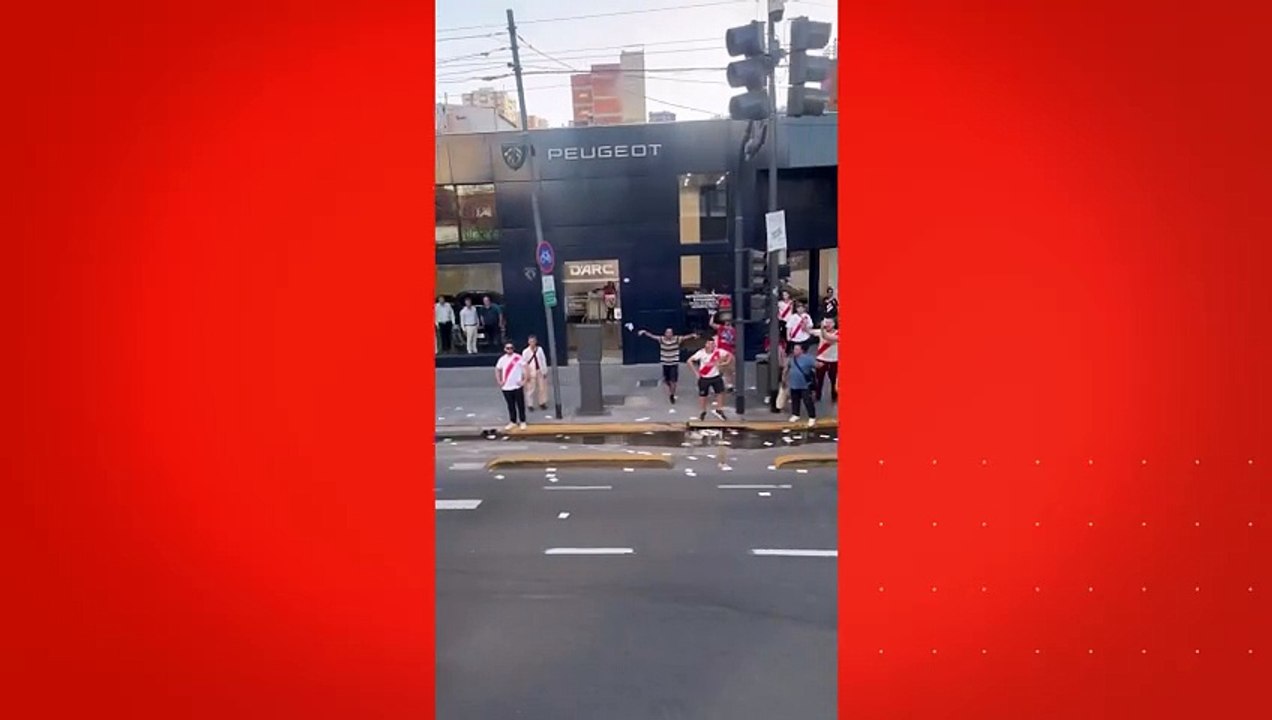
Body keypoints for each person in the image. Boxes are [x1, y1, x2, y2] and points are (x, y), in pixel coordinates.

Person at [637, 327, 697, 405]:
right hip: (666, 363)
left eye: (670, 333)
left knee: (673, 381)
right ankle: (669, 385)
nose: (669, 334)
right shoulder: (661, 339)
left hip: (673, 364)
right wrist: (644, 332)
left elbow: (685, 337)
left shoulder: (676, 339)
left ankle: (672, 395)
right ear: (665, 334)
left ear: (672, 334)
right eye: (667, 333)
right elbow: (652, 336)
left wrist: (692, 335)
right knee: (667, 380)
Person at [687, 337, 732, 422]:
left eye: (713, 344)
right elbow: (689, 361)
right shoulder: (701, 353)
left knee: (720, 393)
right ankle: (703, 411)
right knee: (703, 395)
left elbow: (729, 355)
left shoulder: (718, 351)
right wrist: (696, 373)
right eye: (709, 344)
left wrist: (725, 363)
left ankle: (719, 410)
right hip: (704, 378)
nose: (711, 346)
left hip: (716, 376)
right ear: (706, 344)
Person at [495, 341, 527, 430]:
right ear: (505, 349)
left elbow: (525, 369)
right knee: (510, 405)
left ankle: (522, 421)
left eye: (511, 348)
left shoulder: (518, 358)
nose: (509, 350)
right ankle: (513, 421)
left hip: (517, 386)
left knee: (520, 404)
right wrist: (499, 381)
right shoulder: (502, 359)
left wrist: (524, 380)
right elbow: (497, 370)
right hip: (506, 386)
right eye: (507, 348)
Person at [785, 343, 817, 427]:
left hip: (804, 385)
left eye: (797, 349)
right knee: (795, 400)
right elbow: (787, 368)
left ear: (801, 350)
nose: (794, 351)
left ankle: (812, 417)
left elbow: (816, 365)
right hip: (794, 384)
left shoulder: (808, 359)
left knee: (807, 401)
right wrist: (784, 379)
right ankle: (796, 414)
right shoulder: (792, 359)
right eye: (794, 349)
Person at [708, 308, 738, 392]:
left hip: (728, 352)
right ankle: (719, 385)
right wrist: (713, 315)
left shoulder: (734, 331)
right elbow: (711, 324)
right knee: (719, 368)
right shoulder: (721, 328)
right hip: (721, 351)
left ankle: (729, 385)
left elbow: (735, 342)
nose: (727, 323)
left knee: (729, 369)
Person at [812, 318, 839, 403]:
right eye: (826, 322)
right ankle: (818, 395)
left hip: (833, 360)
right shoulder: (821, 331)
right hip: (821, 359)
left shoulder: (838, 333)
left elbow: (827, 337)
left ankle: (834, 395)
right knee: (819, 379)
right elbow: (809, 331)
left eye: (829, 323)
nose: (827, 324)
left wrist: (822, 328)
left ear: (834, 324)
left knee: (833, 380)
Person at [521, 335, 549, 411]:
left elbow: (543, 360)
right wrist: (526, 374)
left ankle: (542, 402)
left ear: (536, 342)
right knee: (530, 389)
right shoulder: (525, 352)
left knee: (542, 388)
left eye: (533, 341)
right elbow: (524, 364)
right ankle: (530, 404)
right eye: (530, 341)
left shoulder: (540, 350)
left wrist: (544, 371)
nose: (532, 343)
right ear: (528, 342)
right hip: (530, 372)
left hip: (539, 370)